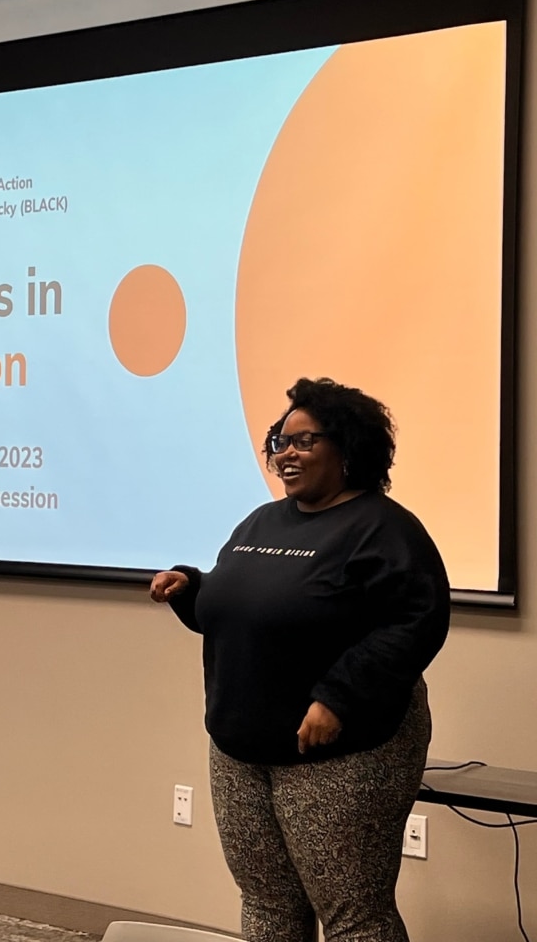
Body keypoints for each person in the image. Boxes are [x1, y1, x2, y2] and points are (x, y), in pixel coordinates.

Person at [150, 377, 450, 942]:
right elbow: (245, 605)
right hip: (240, 751)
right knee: (267, 906)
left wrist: (341, 697)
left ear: (349, 449)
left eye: (303, 442)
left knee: (352, 918)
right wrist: (191, 588)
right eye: (278, 443)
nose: (285, 455)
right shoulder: (263, 522)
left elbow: (415, 624)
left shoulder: (385, 530)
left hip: (339, 754)